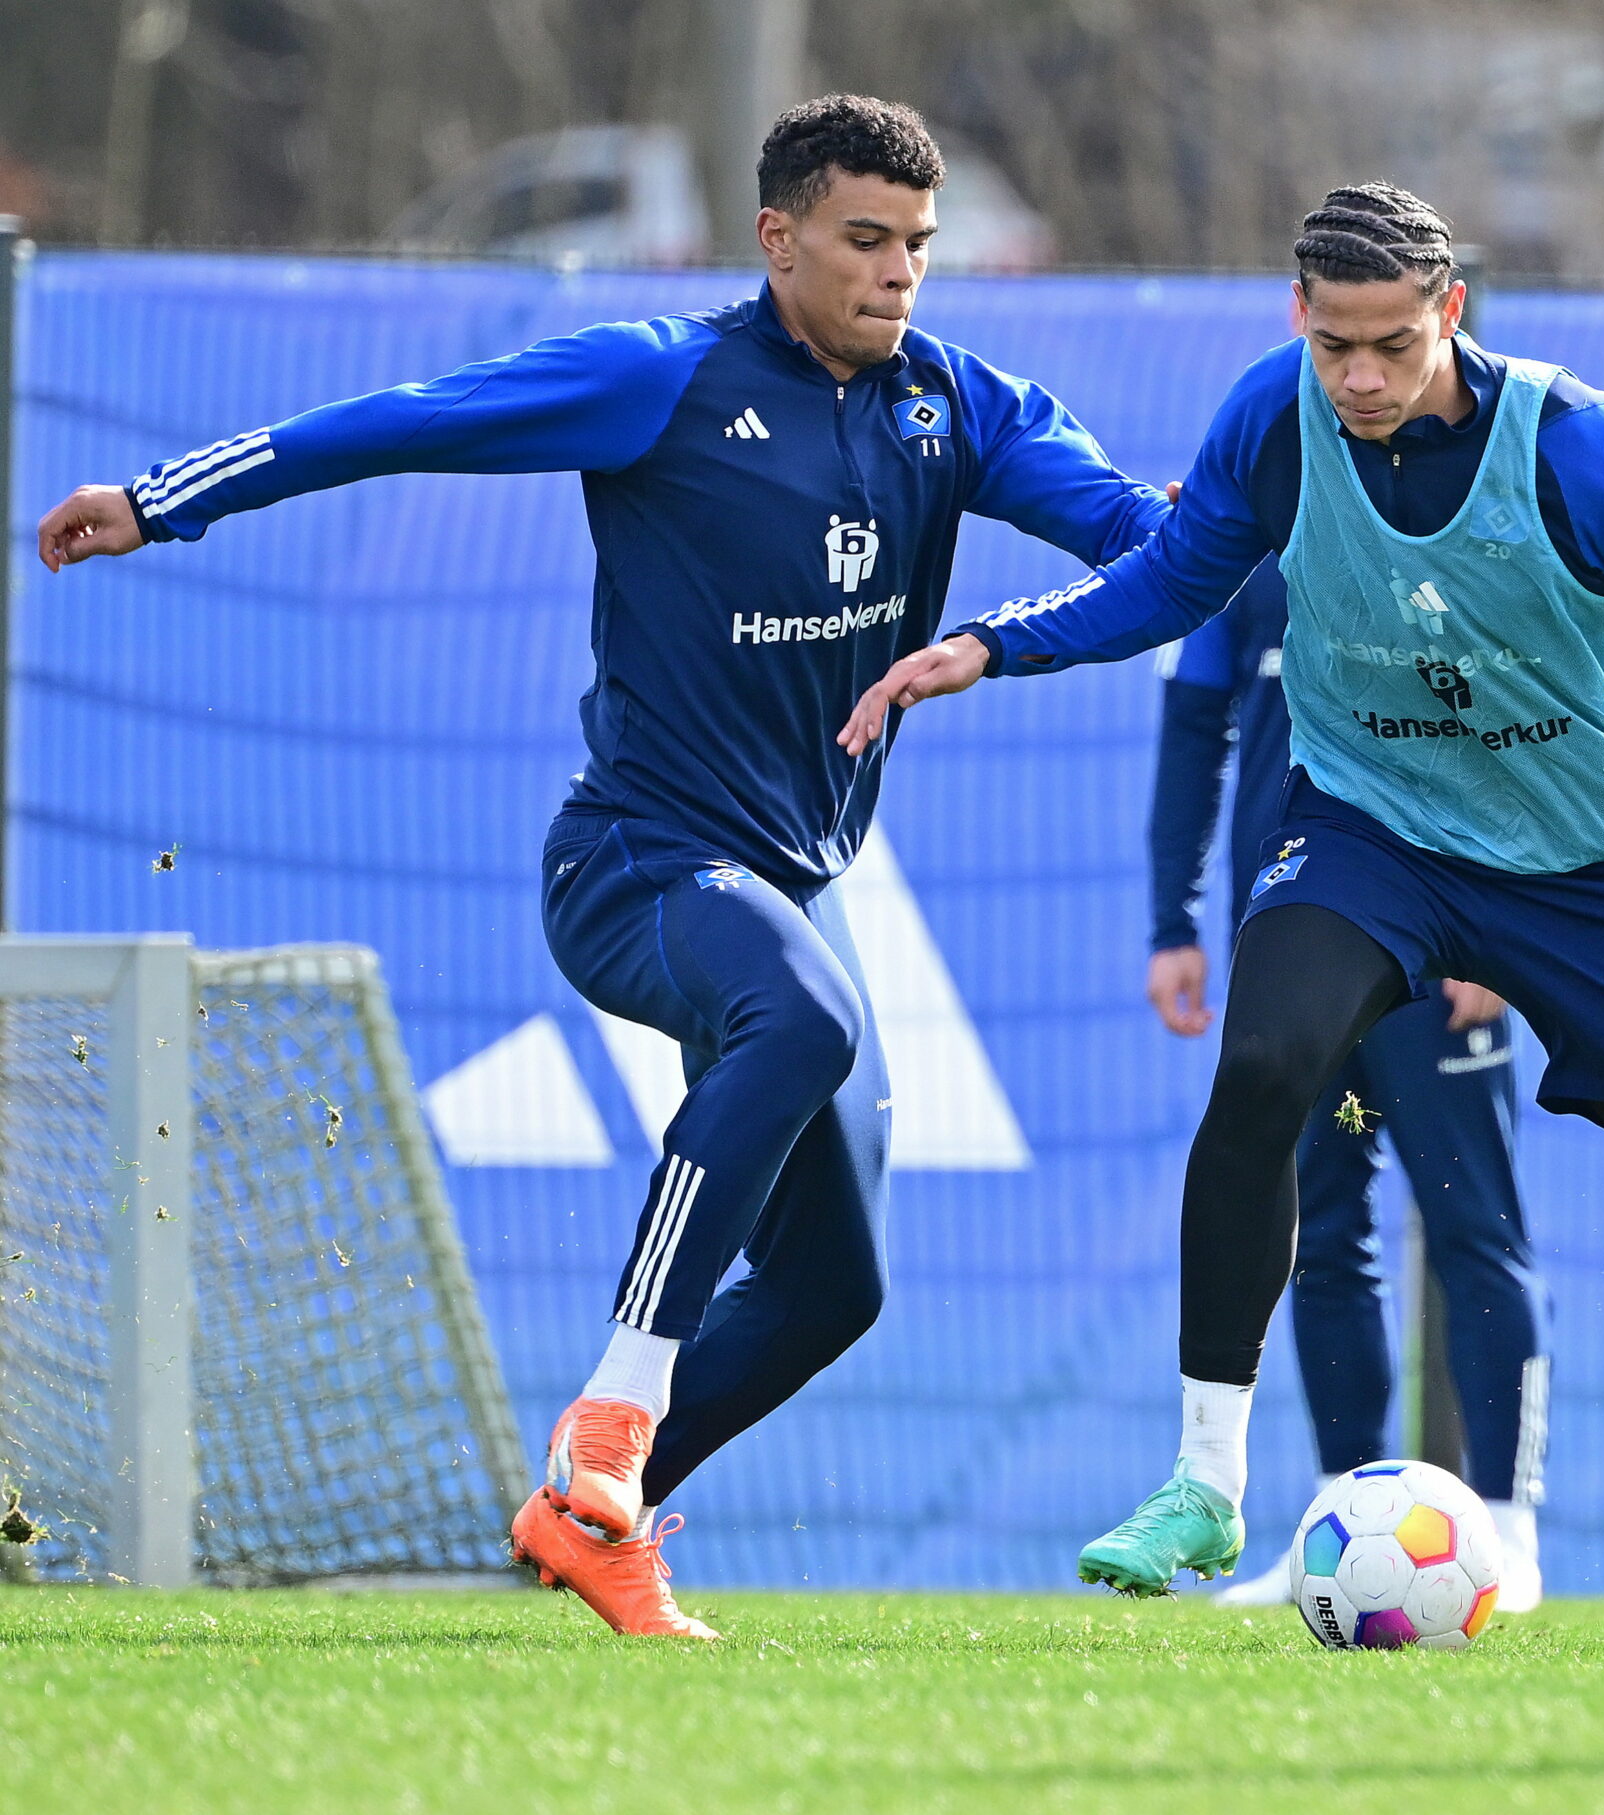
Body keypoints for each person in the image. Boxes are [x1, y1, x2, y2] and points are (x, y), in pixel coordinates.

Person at [37, 96, 1168, 1641]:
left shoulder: (960, 405)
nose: (899, 271)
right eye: (863, 240)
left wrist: (1270, 521)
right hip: (637, 862)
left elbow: (1142, 538)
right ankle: (616, 1410)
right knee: (806, 1019)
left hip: (785, 879)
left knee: (838, 1289)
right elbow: (407, 418)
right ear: (776, 239)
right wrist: (162, 500)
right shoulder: (662, 378)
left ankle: (586, 1518)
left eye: (917, 243)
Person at [847, 183, 1604, 1649]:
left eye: (1390, 345)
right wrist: (992, 642)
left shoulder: (1579, 450)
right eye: (1334, 344)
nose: (1359, 380)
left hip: (1590, 875)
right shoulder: (1273, 415)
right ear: (1297, 316)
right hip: (1371, 829)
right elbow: (1176, 583)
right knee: (1262, 1069)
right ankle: (1205, 1477)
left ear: (1452, 314)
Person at [1148, 555, 1552, 1611]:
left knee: (1474, 1229)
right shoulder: (1242, 547)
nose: (1356, 382)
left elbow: (1531, 718)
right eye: (1330, 373)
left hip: (1441, 961)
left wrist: (1504, 927)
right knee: (1321, 1234)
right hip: (1298, 956)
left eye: (1373, 370)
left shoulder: (1454, 530)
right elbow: (1195, 724)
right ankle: (1342, 1523)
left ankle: (1509, 1532)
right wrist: (1172, 922)